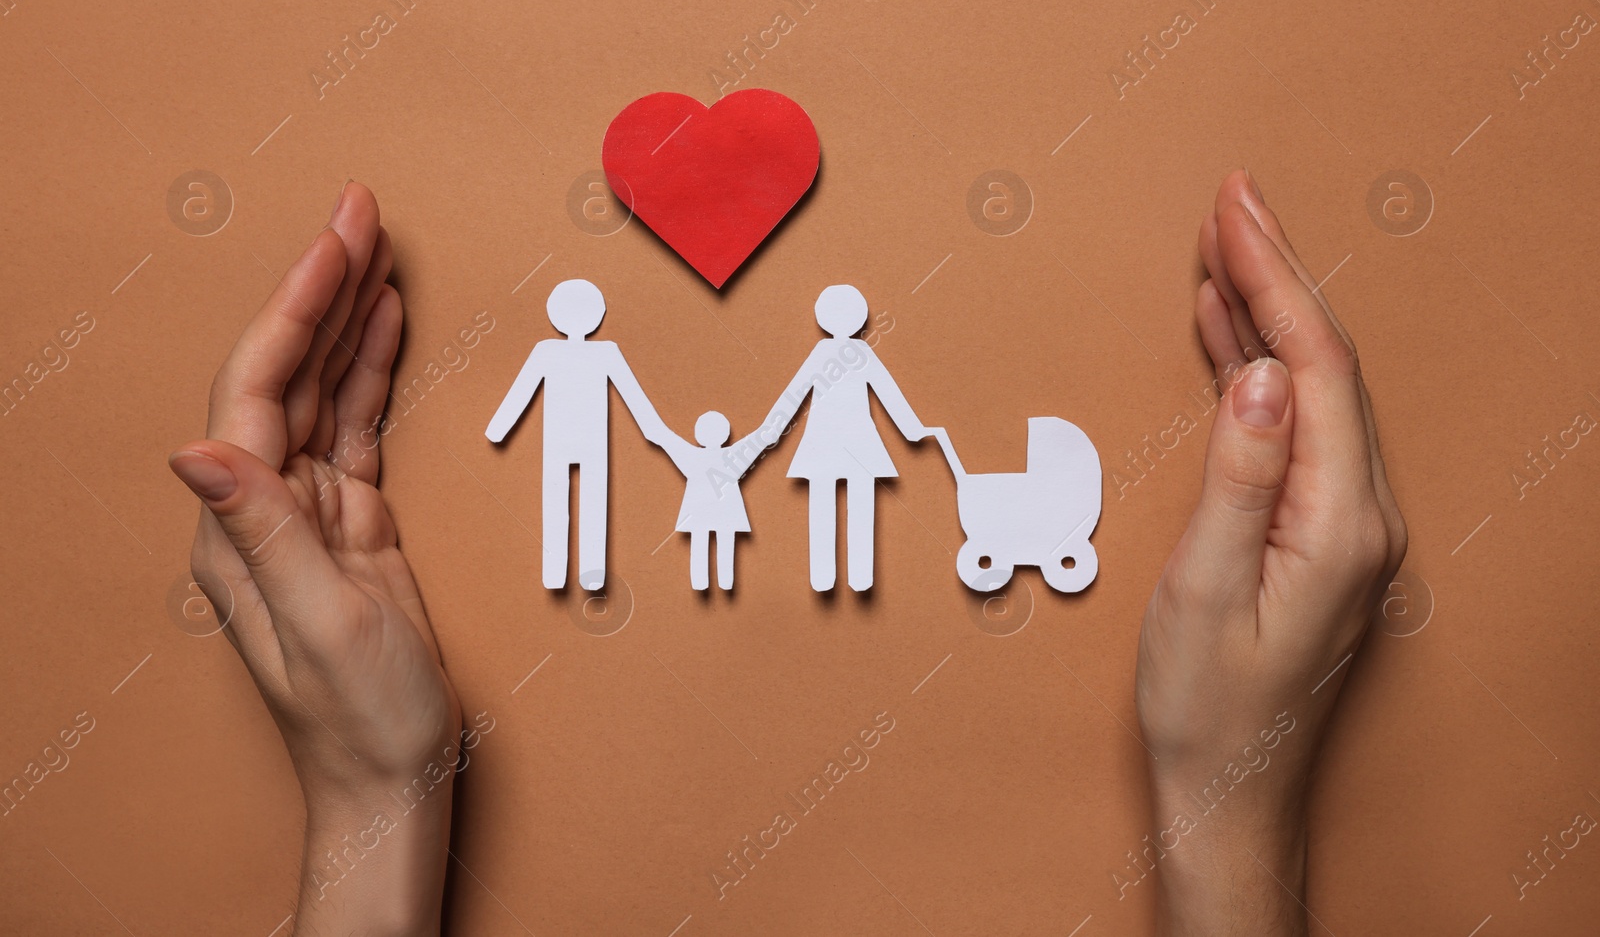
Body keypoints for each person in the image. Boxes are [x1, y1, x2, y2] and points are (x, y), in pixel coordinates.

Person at [167, 171, 1404, 934]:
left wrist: (374, 803)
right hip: (773, 463)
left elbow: (807, 408)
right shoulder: (611, 352)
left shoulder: (834, 353)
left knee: (828, 534)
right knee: (585, 514)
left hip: (831, 470)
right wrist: (1230, 811)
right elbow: (679, 412)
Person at [485, 278, 673, 590]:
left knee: (558, 500)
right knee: (591, 502)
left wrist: (498, 428)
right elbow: (634, 398)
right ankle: (587, 574)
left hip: (565, 441)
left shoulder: (552, 351)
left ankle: (559, 573)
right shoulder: (602, 352)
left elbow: (521, 392)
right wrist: (656, 431)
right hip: (589, 442)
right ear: (597, 316)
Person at [761, 284, 930, 591]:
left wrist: (772, 428)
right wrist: (911, 428)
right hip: (850, 441)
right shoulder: (855, 351)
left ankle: (834, 577)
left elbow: (796, 392)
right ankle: (850, 576)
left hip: (836, 441)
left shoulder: (842, 352)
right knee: (854, 504)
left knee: (831, 504)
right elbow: (885, 391)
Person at [657, 410, 769, 590]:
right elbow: (761, 436)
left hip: (700, 511)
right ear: (725, 434)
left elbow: (663, 436)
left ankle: (702, 582)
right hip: (727, 511)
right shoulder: (734, 455)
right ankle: (725, 581)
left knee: (700, 542)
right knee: (724, 541)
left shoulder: (691, 456)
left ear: (698, 434)